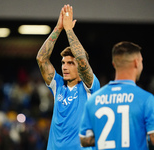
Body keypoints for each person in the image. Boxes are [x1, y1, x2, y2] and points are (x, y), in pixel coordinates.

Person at [36, 4, 100, 150]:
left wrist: (69, 30)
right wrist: (58, 28)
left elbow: (81, 59)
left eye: (70, 63)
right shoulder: (58, 85)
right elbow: (41, 59)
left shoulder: (90, 88)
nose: (64, 66)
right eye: (63, 63)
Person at [79, 41, 154, 149]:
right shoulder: (146, 99)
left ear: (114, 64)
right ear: (136, 62)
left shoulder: (93, 100)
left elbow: (84, 139)